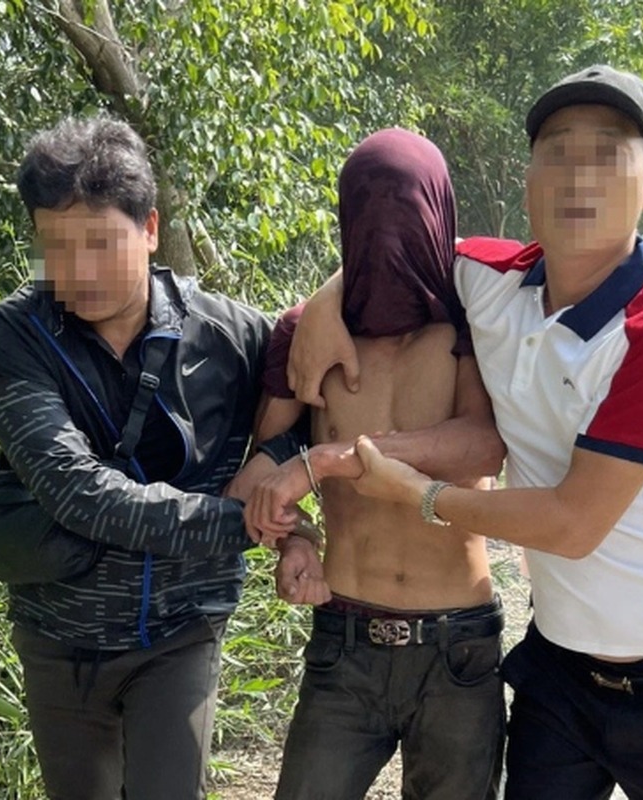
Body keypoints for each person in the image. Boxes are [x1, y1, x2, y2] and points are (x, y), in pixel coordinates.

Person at [278, 65, 643, 799]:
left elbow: (572, 524)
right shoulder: (493, 280)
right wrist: (321, 304)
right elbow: (392, 241)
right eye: (558, 153)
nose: (579, 176)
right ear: (527, 183)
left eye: (607, 154)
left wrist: (417, 493)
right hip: (559, 677)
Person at [0, 114, 273, 799]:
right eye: (55, 247)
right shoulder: (14, 336)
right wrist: (246, 524)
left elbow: (312, 403)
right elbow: (75, 491)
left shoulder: (231, 334)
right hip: (59, 634)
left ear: (150, 228)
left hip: (182, 629)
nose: (77, 272)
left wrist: (278, 465)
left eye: (100, 244)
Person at [249, 129, 506, 800]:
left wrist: (333, 459)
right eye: (367, 214)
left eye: (406, 212)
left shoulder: (471, 321)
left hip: (456, 643)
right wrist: (295, 540)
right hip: (345, 636)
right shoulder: (304, 335)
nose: (387, 234)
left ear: (438, 214)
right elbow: (265, 471)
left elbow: (483, 446)